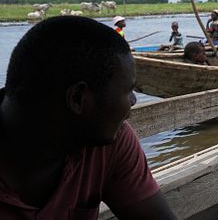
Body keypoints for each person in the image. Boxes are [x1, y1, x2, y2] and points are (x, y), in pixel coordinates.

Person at [0, 16, 177, 219]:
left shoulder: (111, 141)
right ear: (77, 98)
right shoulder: (102, 134)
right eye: (128, 90)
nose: (133, 100)